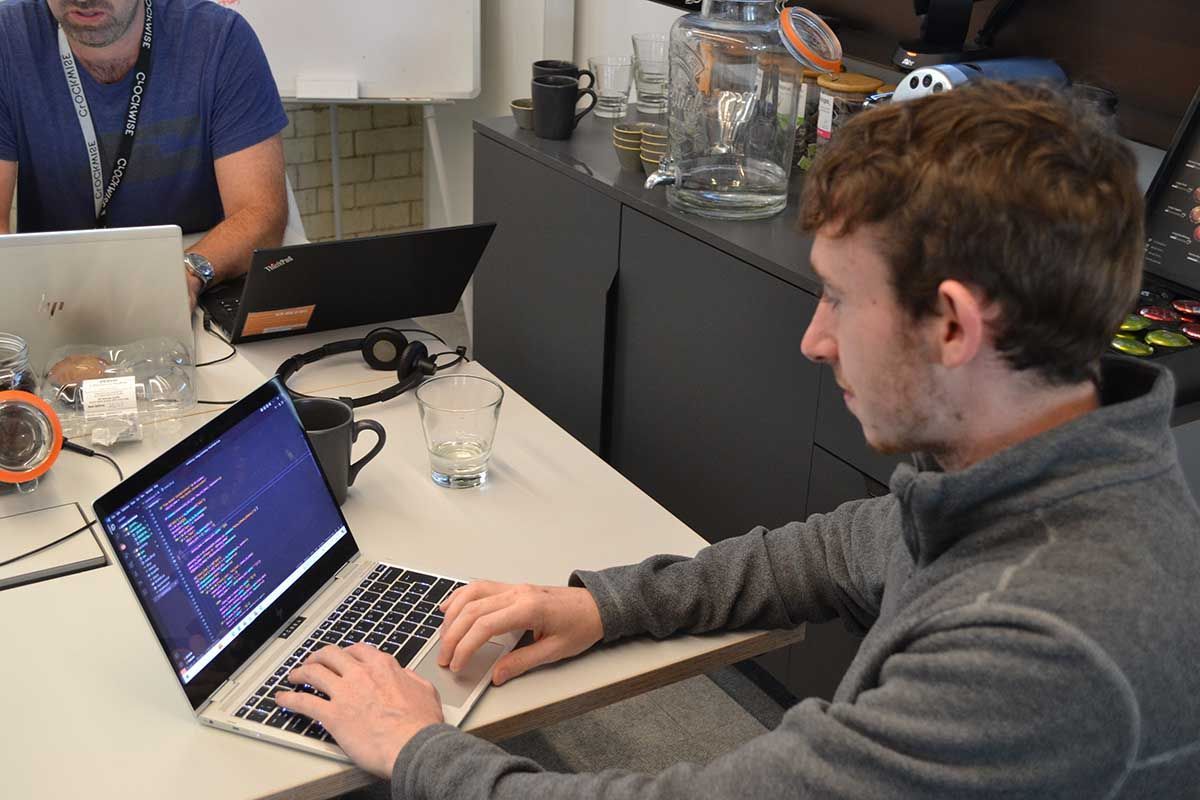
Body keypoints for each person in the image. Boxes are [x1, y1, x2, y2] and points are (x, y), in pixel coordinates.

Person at [278, 82, 1200, 797]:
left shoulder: (1042, 650)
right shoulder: (1039, 456)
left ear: (954, 327)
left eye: (839, 296)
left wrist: (416, 747)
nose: (814, 338)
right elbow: (849, 547)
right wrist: (607, 606)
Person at [0, 0, 288, 306]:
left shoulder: (219, 37)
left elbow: (261, 215)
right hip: (54, 300)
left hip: (197, 285)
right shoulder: (8, 37)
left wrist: (186, 274)